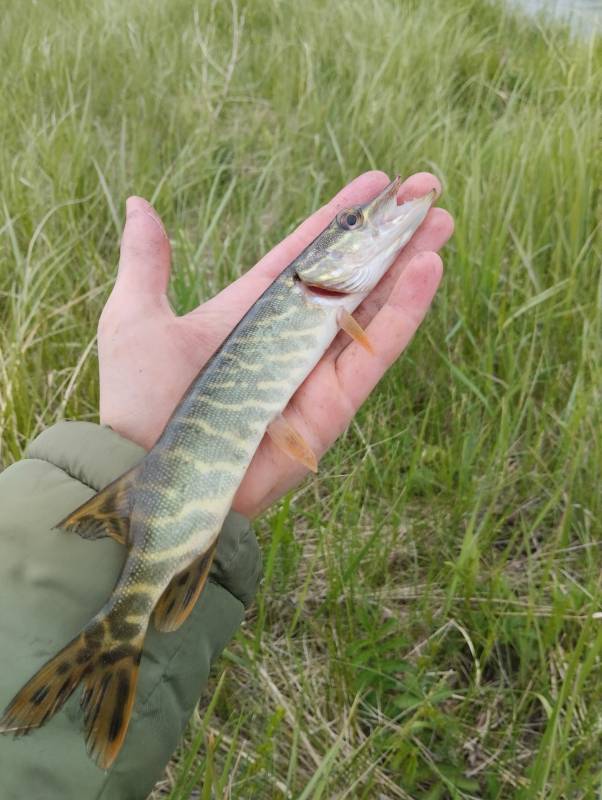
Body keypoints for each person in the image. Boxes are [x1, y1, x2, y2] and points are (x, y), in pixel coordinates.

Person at [0, 170, 453, 799]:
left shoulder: (320, 296)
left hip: (186, 485)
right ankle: (105, 654)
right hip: (177, 487)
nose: (362, 223)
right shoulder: (306, 290)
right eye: (349, 225)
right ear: (319, 260)